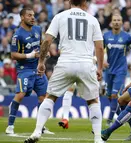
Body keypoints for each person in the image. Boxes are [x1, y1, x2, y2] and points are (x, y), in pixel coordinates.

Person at [24, 0, 104, 143]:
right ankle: (98, 138)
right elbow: (99, 46)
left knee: (50, 97)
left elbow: (47, 41)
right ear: (85, 2)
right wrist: (99, 68)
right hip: (86, 63)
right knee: (93, 101)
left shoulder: (60, 16)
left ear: (69, 2)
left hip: (65, 62)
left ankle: (37, 131)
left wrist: (41, 62)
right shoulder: (92, 19)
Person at [5, 7, 53, 135]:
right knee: (20, 95)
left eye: (33, 15)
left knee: (44, 97)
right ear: (22, 17)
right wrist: (30, 55)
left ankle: (41, 127)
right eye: (29, 15)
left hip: (37, 69)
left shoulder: (38, 29)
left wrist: (44, 53)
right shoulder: (17, 35)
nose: (33, 18)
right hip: (24, 69)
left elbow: (42, 44)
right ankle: (10, 126)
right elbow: (13, 55)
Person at [103, 14, 131, 126]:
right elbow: (100, 50)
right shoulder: (105, 36)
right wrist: (102, 62)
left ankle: (109, 120)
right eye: (114, 20)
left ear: (122, 22)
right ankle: (122, 116)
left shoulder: (127, 37)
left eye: (119, 20)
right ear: (111, 22)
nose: (116, 22)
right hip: (109, 70)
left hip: (121, 70)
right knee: (109, 96)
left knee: (115, 95)